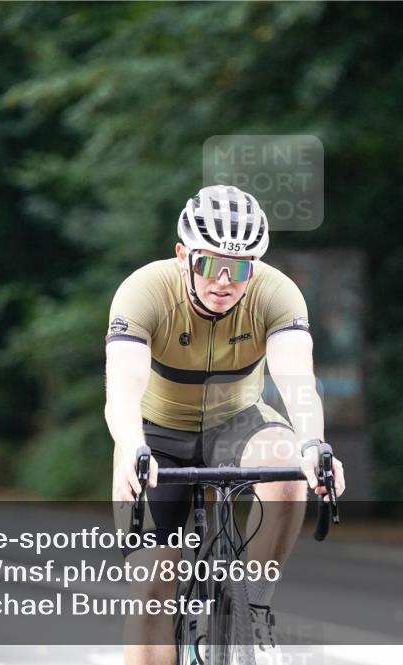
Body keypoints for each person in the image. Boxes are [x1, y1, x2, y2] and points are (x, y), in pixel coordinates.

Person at [105, 185, 347, 665]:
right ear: (183, 256)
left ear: (254, 266)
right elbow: (124, 387)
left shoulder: (277, 293)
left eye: (238, 269)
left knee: (287, 471)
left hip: (237, 421)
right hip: (156, 432)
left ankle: (253, 611)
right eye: (209, 265)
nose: (222, 282)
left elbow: (298, 379)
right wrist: (132, 446)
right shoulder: (144, 290)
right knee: (151, 590)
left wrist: (314, 445)